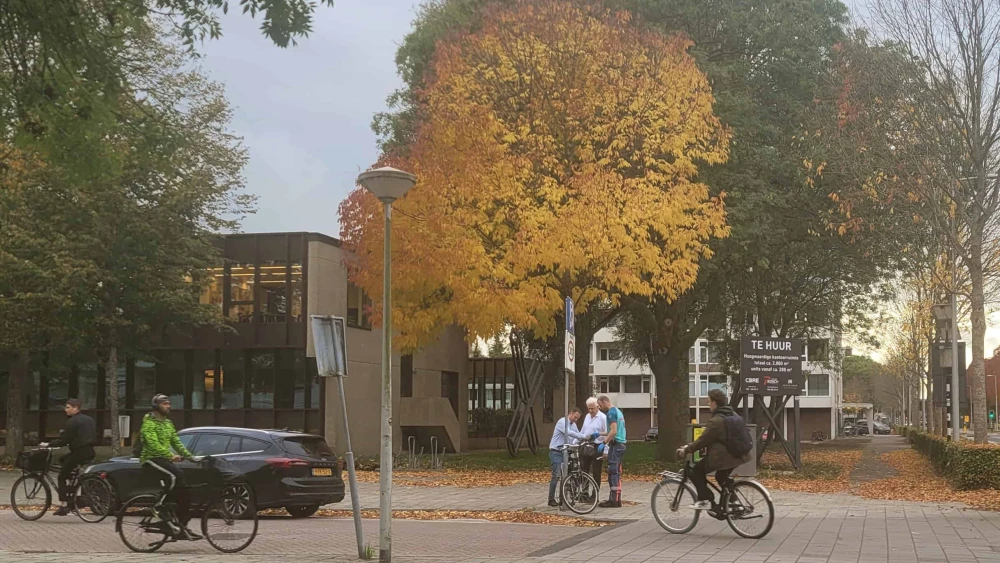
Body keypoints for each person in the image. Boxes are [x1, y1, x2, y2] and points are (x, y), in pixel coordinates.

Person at [676, 389, 750, 511]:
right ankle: (735, 503)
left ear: (715, 402)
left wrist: (686, 450)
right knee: (721, 477)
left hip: (724, 458)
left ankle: (704, 499)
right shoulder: (733, 414)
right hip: (740, 455)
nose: (708, 403)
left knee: (695, 471)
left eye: (709, 401)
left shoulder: (716, 421)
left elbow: (703, 441)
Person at [140, 394, 200, 540]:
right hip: (151, 459)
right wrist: (170, 455)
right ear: (156, 406)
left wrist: (191, 457)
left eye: (169, 404)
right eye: (165, 404)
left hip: (164, 459)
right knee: (175, 475)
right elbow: (152, 444)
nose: (168, 406)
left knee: (185, 494)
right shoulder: (149, 423)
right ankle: (159, 506)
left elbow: (176, 442)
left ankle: (180, 526)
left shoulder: (168, 423)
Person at [40, 398, 96, 516]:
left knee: (61, 476)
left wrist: (48, 444)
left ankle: (64, 505)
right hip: (90, 451)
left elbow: (63, 441)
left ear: (75, 408)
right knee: (63, 460)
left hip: (79, 452)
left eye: (68, 407)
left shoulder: (72, 422)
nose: (66, 410)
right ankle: (71, 483)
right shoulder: (89, 419)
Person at [548, 407, 588, 507]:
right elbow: (569, 432)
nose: (576, 420)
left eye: (577, 418)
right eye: (575, 417)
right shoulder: (562, 422)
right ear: (570, 413)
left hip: (566, 451)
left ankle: (564, 498)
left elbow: (576, 435)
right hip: (556, 451)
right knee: (556, 475)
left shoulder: (573, 424)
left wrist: (581, 440)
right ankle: (551, 499)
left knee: (567, 475)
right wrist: (583, 436)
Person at [592, 395, 626, 508]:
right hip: (620, 445)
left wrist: (604, 442)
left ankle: (614, 501)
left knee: (613, 472)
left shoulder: (611, 413)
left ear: (605, 402)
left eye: (600, 405)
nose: (600, 408)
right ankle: (615, 499)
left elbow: (614, 431)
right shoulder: (617, 411)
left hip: (616, 445)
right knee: (614, 471)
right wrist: (599, 434)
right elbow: (611, 430)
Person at [579, 397, 607, 489]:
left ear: (598, 407)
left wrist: (605, 449)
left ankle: (595, 493)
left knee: (596, 471)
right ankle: (585, 491)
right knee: (584, 469)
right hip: (587, 445)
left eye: (592, 408)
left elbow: (607, 433)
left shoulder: (603, 417)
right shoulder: (587, 416)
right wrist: (576, 442)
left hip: (597, 446)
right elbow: (583, 431)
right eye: (589, 408)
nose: (590, 411)